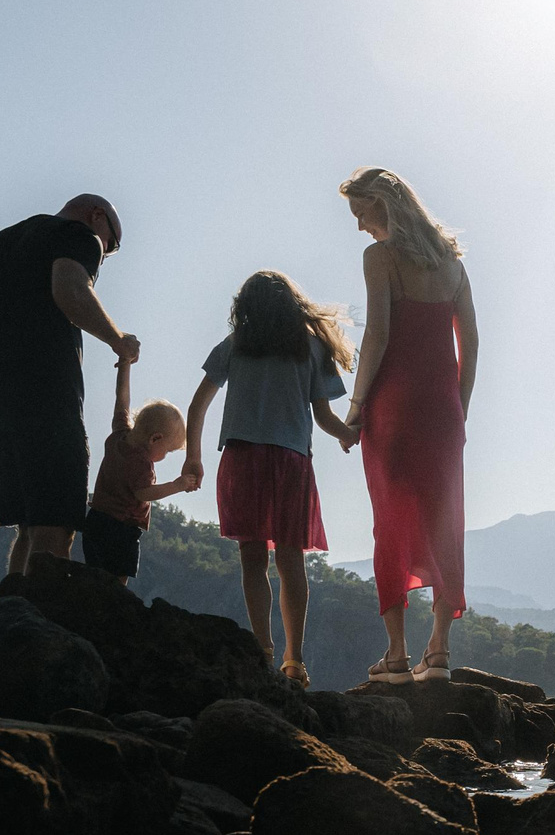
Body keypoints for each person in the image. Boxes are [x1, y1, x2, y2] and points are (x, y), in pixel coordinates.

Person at [0, 195, 138, 577]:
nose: (105, 255)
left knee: (29, 525)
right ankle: (45, 630)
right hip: (44, 393)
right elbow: (69, 290)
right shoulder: (78, 235)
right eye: (111, 245)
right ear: (96, 216)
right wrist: (119, 341)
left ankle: (13, 621)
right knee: (55, 525)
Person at [179, 270, 355, 685]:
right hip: (291, 461)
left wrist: (193, 457)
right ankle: (294, 660)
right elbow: (325, 417)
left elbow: (197, 405)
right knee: (292, 561)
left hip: (242, 457)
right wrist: (350, 435)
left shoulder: (236, 345)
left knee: (252, 560)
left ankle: (262, 648)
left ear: (245, 308)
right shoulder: (310, 348)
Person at [340, 166, 477, 685]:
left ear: (384, 205)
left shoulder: (380, 257)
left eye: (361, 213)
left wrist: (356, 409)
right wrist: (458, 408)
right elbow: (474, 345)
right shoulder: (452, 264)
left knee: (391, 521)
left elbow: (376, 335)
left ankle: (396, 655)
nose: (359, 227)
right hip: (444, 412)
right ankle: (438, 650)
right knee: (447, 521)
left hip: (393, 409)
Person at [82, 355, 199, 583]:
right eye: (168, 451)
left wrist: (124, 367)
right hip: (120, 528)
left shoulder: (119, 435)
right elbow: (144, 493)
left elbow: (121, 400)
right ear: (155, 438)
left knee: (95, 576)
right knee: (117, 582)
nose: (164, 457)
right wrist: (177, 485)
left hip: (96, 521)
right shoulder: (141, 463)